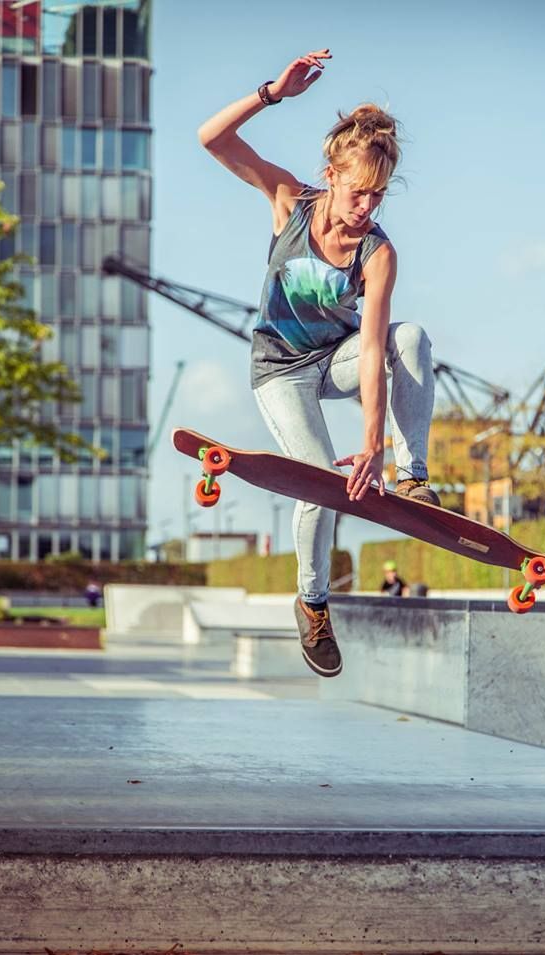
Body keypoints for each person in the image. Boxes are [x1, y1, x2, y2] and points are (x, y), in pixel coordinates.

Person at [198, 49, 439, 679]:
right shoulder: (290, 202)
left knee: (410, 337)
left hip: (334, 359)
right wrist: (272, 93)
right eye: (359, 192)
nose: (367, 208)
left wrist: (373, 450)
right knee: (316, 484)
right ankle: (312, 604)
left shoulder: (378, 253)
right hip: (278, 371)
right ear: (330, 175)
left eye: (379, 196)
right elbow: (212, 138)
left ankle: (415, 472)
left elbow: (374, 352)